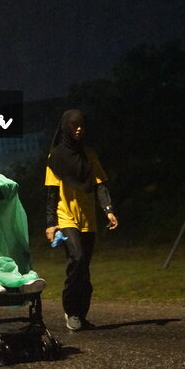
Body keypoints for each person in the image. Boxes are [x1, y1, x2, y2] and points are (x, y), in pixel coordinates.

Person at [44, 109, 118, 331]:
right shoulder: (56, 156)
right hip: (66, 217)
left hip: (88, 218)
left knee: (84, 268)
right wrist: (50, 223)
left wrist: (108, 210)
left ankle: (81, 314)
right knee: (77, 258)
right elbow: (51, 193)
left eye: (81, 125)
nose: (78, 129)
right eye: (74, 125)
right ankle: (71, 310)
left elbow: (99, 184)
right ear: (66, 127)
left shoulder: (89, 154)